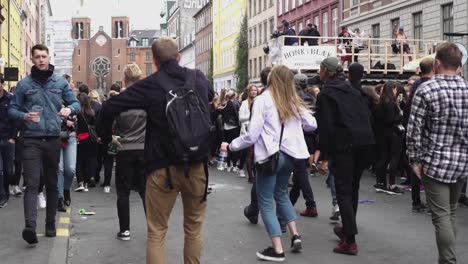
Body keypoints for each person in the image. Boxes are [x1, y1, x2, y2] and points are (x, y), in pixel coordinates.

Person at [97, 37, 214, 264]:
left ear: (154, 60)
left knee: (157, 231)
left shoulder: (150, 85)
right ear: (179, 57)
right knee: (193, 227)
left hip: (162, 168)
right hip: (197, 165)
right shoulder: (197, 78)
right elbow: (209, 96)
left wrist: (105, 137)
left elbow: (110, 107)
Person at [223, 65, 316, 262]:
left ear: (272, 80)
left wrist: (231, 145)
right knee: (281, 195)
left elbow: (252, 135)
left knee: (265, 201)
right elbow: (312, 124)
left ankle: (277, 249)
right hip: (290, 155)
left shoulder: (263, 100)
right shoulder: (292, 100)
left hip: (270, 155)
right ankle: (295, 235)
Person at [8, 44, 80, 244]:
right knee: (31, 183)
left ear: (49, 58)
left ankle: (50, 224)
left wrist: (69, 110)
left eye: (44, 56)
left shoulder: (59, 82)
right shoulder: (24, 85)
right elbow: (12, 110)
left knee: (51, 183)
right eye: (38, 56)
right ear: (32, 59)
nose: (41, 60)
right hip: (31, 139)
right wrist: (24, 115)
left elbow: (76, 103)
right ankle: (30, 227)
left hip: (52, 139)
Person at [407, 43, 468, 264]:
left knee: (442, 215)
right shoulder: (467, 89)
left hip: (435, 162)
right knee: (450, 212)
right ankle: (447, 259)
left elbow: (414, 130)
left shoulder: (426, 89)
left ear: (437, 63)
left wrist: (414, 160)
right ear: (459, 66)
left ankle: (448, 261)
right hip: (461, 163)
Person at [316, 57, 375, 255]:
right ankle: (348, 229)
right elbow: (366, 116)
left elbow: (326, 127)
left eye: (320, 68)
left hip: (345, 145)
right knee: (353, 188)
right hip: (364, 142)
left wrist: (323, 157)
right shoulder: (353, 89)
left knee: (343, 190)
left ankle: (350, 240)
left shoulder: (327, 93)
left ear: (326, 71)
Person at [112, 63, 147, 241]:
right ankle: (153, 228)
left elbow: (110, 125)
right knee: (145, 191)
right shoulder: (147, 99)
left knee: (123, 192)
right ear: (140, 78)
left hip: (124, 149)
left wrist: (112, 140)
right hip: (143, 150)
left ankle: (125, 230)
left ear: (124, 79)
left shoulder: (120, 100)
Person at [403, 58, 434, 212]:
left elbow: (410, 111)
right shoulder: (430, 86)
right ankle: (431, 203)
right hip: (429, 133)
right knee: (431, 171)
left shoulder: (416, 85)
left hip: (416, 130)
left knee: (417, 168)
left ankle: (416, 201)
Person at [243, 67, 271, 223]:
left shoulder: (260, 100)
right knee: (280, 188)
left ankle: (254, 209)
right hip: (285, 146)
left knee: (261, 180)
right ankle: (285, 224)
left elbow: (254, 130)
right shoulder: (286, 97)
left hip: (266, 146)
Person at [289, 73, 319, 218]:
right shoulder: (312, 98)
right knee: (299, 172)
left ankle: (311, 205)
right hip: (311, 137)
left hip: (298, 137)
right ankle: (290, 202)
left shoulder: (295, 99)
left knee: (300, 172)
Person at [373, 81, 405, 195]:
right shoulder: (391, 103)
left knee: (383, 158)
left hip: (382, 134)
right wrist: (400, 115)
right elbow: (391, 119)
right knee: (394, 159)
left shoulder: (380, 101)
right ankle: (392, 184)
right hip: (394, 133)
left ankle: (380, 182)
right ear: (393, 89)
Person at [57, 75, 79, 211]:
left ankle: (66, 189)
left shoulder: (74, 102)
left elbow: (81, 118)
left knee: (70, 169)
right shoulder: (54, 99)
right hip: (56, 137)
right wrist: (65, 121)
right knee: (59, 169)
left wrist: (75, 131)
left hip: (70, 137)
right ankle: (59, 198)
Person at [75, 92, 98, 192]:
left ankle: (81, 181)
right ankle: (90, 178)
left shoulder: (78, 113)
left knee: (80, 160)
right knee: (91, 158)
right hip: (91, 138)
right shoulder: (92, 112)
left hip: (81, 138)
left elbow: (77, 127)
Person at [0, 77, 17, 208]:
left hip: (8, 139)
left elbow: (16, 119)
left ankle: (6, 190)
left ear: (2, 84)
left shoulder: (10, 98)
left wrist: (13, 137)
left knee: (8, 170)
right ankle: (2, 195)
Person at [238, 84, 258, 180]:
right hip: (247, 131)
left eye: (255, 90)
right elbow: (241, 118)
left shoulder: (259, 102)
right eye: (252, 90)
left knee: (256, 154)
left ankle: (255, 173)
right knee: (249, 154)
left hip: (257, 130)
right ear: (248, 92)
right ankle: (250, 175)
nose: (254, 92)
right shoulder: (245, 103)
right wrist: (251, 116)